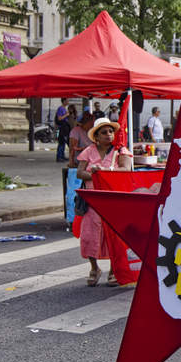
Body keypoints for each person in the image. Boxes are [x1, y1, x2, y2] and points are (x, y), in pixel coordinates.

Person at [76, 118, 133, 287]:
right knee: (89, 235)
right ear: (96, 137)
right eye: (104, 132)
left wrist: (107, 172)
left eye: (110, 131)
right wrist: (94, 174)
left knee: (113, 237)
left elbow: (126, 170)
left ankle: (114, 270)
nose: (108, 135)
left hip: (113, 199)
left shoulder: (121, 151)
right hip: (92, 200)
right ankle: (94, 268)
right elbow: (80, 172)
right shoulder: (88, 151)